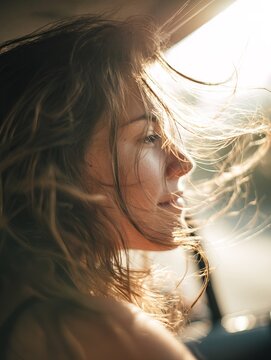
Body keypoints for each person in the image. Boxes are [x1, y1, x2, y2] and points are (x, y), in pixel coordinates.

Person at [0, 14, 269, 360]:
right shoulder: (103, 337)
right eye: (149, 136)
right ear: (54, 169)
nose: (183, 163)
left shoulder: (23, 309)